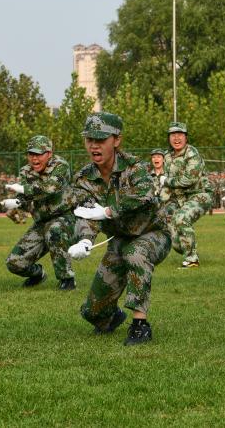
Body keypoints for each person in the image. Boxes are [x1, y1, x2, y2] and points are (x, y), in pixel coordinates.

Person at [66, 112, 169, 346]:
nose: (94, 145)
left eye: (100, 140)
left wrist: (109, 211)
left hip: (152, 233)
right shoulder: (84, 178)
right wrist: (85, 240)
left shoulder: (135, 168)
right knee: (92, 313)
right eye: (89, 140)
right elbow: (86, 213)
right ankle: (113, 318)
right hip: (119, 240)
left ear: (117, 140)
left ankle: (140, 325)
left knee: (136, 253)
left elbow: (144, 194)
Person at [2, 135, 78, 290]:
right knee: (14, 262)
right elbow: (25, 197)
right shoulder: (25, 171)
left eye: (38, 154)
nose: (34, 159)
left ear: (49, 154)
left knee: (54, 230)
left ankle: (67, 279)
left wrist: (23, 189)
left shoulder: (60, 165)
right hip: (41, 222)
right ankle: (38, 274)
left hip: (65, 218)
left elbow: (51, 189)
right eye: (31, 154)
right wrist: (17, 202)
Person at [161, 122, 210, 269]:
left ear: (186, 138)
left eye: (180, 135)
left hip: (199, 195)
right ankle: (188, 248)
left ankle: (192, 259)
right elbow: (167, 186)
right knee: (170, 230)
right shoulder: (167, 157)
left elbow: (189, 179)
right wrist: (159, 200)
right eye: (173, 135)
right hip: (178, 198)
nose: (177, 138)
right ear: (169, 138)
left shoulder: (192, 154)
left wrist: (167, 181)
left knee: (181, 218)